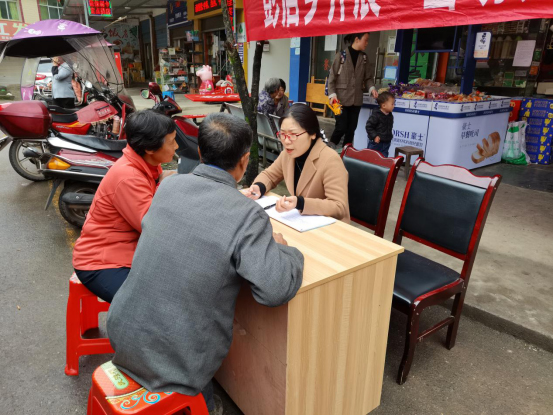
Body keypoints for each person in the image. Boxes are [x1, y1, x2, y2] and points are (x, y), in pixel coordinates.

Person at [106, 112, 304, 415]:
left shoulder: (169, 187)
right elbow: (275, 290)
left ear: (199, 152)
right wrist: (286, 251)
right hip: (176, 360)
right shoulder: (247, 214)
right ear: (244, 161)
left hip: (121, 332)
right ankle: (204, 406)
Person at [72, 110, 178, 303]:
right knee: (150, 307)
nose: (176, 146)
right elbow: (153, 226)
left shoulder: (149, 165)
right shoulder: (128, 177)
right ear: (150, 148)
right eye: (171, 142)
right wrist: (165, 185)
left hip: (129, 252)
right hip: (102, 262)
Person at [244, 104, 350, 222]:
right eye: (282, 134)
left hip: (331, 229)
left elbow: (339, 206)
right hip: (302, 223)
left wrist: (300, 203)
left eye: (293, 135)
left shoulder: (330, 160)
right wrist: (259, 187)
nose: (286, 141)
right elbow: (270, 175)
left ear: (312, 134)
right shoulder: (288, 154)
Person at [327, 32, 378, 148]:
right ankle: (329, 150)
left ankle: (346, 154)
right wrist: (332, 95)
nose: (367, 43)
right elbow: (332, 77)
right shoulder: (341, 56)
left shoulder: (364, 57)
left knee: (351, 129)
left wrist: (372, 88)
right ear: (357, 39)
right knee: (341, 127)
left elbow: (368, 77)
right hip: (338, 100)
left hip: (356, 100)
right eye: (365, 40)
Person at [366, 91, 395, 157]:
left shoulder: (390, 115)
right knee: (371, 158)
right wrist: (375, 136)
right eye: (392, 104)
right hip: (376, 142)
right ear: (384, 105)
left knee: (383, 159)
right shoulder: (376, 115)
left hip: (386, 142)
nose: (394, 106)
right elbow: (369, 126)